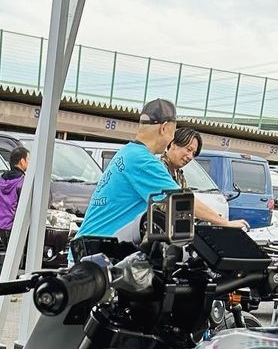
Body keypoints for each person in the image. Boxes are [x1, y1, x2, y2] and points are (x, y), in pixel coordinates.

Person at [75, 99, 247, 249]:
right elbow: (182, 201)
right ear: (164, 128)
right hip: (95, 254)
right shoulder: (143, 161)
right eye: (173, 134)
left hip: (90, 247)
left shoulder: (128, 152)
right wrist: (224, 223)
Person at [162, 126, 250, 230]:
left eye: (193, 154)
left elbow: (188, 202)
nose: (190, 156)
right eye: (188, 149)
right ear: (173, 144)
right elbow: (185, 201)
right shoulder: (159, 168)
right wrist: (223, 222)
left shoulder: (179, 174)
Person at [0, 145, 28, 244]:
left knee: (7, 251)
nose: (29, 163)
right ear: (22, 161)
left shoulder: (0, 181)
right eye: (28, 160)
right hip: (15, 227)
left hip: (1, 226)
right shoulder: (22, 181)